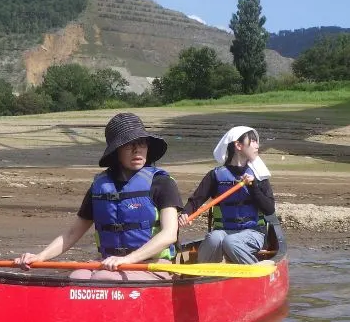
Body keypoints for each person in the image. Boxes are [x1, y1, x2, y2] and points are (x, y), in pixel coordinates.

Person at [15, 112, 183, 280]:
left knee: (105, 278)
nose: (137, 150)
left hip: (153, 263)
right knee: (78, 277)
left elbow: (169, 234)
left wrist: (127, 260)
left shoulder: (162, 183)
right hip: (109, 262)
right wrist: (40, 256)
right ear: (116, 151)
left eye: (141, 144)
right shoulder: (100, 186)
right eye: (128, 145)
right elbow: (72, 233)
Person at [178, 126, 275, 264]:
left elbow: (269, 208)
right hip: (224, 230)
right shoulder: (215, 175)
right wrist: (185, 213)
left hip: (253, 232)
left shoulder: (259, 175)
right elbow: (196, 200)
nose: (257, 145)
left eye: (256, 141)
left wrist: (252, 187)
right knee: (214, 239)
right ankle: (203, 277)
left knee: (231, 242)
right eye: (252, 141)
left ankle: (254, 272)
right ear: (238, 145)